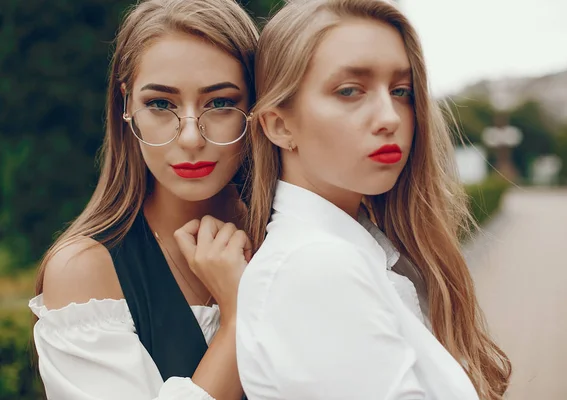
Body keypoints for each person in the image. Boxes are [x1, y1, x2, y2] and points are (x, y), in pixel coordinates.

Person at [235, 0, 511, 398]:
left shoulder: (359, 250)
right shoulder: (315, 267)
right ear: (279, 125)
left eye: (401, 91)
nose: (391, 117)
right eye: (350, 91)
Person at [28, 0, 257, 398]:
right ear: (125, 106)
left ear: (256, 106)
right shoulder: (86, 271)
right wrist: (239, 319)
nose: (190, 138)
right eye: (160, 104)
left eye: (220, 103)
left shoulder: (291, 236)